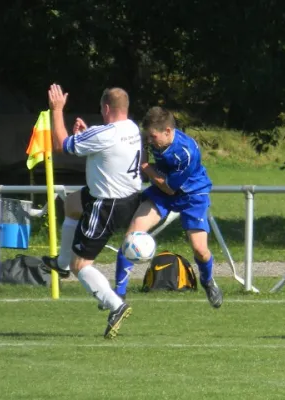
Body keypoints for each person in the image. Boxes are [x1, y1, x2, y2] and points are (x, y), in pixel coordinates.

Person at [43, 84, 143, 338]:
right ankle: (62, 263)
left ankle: (116, 305)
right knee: (73, 203)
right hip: (128, 196)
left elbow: (62, 145)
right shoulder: (132, 128)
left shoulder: (104, 134)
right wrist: (88, 136)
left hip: (108, 204)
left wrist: (57, 110)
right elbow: (109, 149)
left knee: (82, 264)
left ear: (106, 108)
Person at [114, 106, 223, 308]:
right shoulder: (150, 138)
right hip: (161, 190)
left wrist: (145, 167)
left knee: (200, 250)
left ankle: (207, 280)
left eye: (153, 137)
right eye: (147, 137)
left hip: (191, 194)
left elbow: (170, 188)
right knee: (131, 237)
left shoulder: (186, 152)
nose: (149, 141)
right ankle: (118, 296)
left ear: (168, 131)